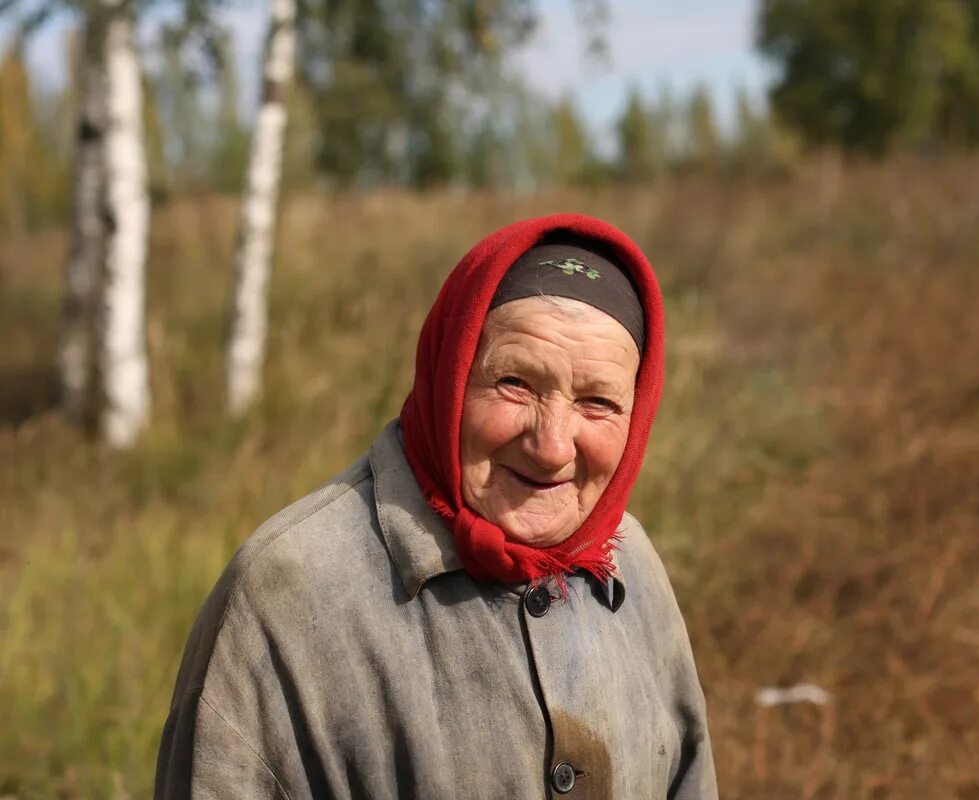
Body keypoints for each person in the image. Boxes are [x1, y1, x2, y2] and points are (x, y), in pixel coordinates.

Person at [154, 214, 718, 798]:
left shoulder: (632, 566)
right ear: (448, 374)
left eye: (597, 401)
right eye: (515, 383)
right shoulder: (288, 594)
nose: (551, 447)